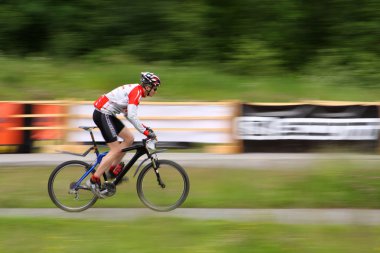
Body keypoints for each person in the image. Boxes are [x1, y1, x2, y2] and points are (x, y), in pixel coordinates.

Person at [87, 72, 160, 197]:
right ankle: (94, 180)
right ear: (148, 87)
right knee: (115, 150)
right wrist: (146, 132)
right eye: (155, 88)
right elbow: (131, 115)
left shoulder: (137, 91)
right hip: (103, 113)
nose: (155, 91)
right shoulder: (136, 92)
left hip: (107, 114)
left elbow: (127, 114)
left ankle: (112, 171)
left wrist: (144, 128)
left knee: (129, 138)